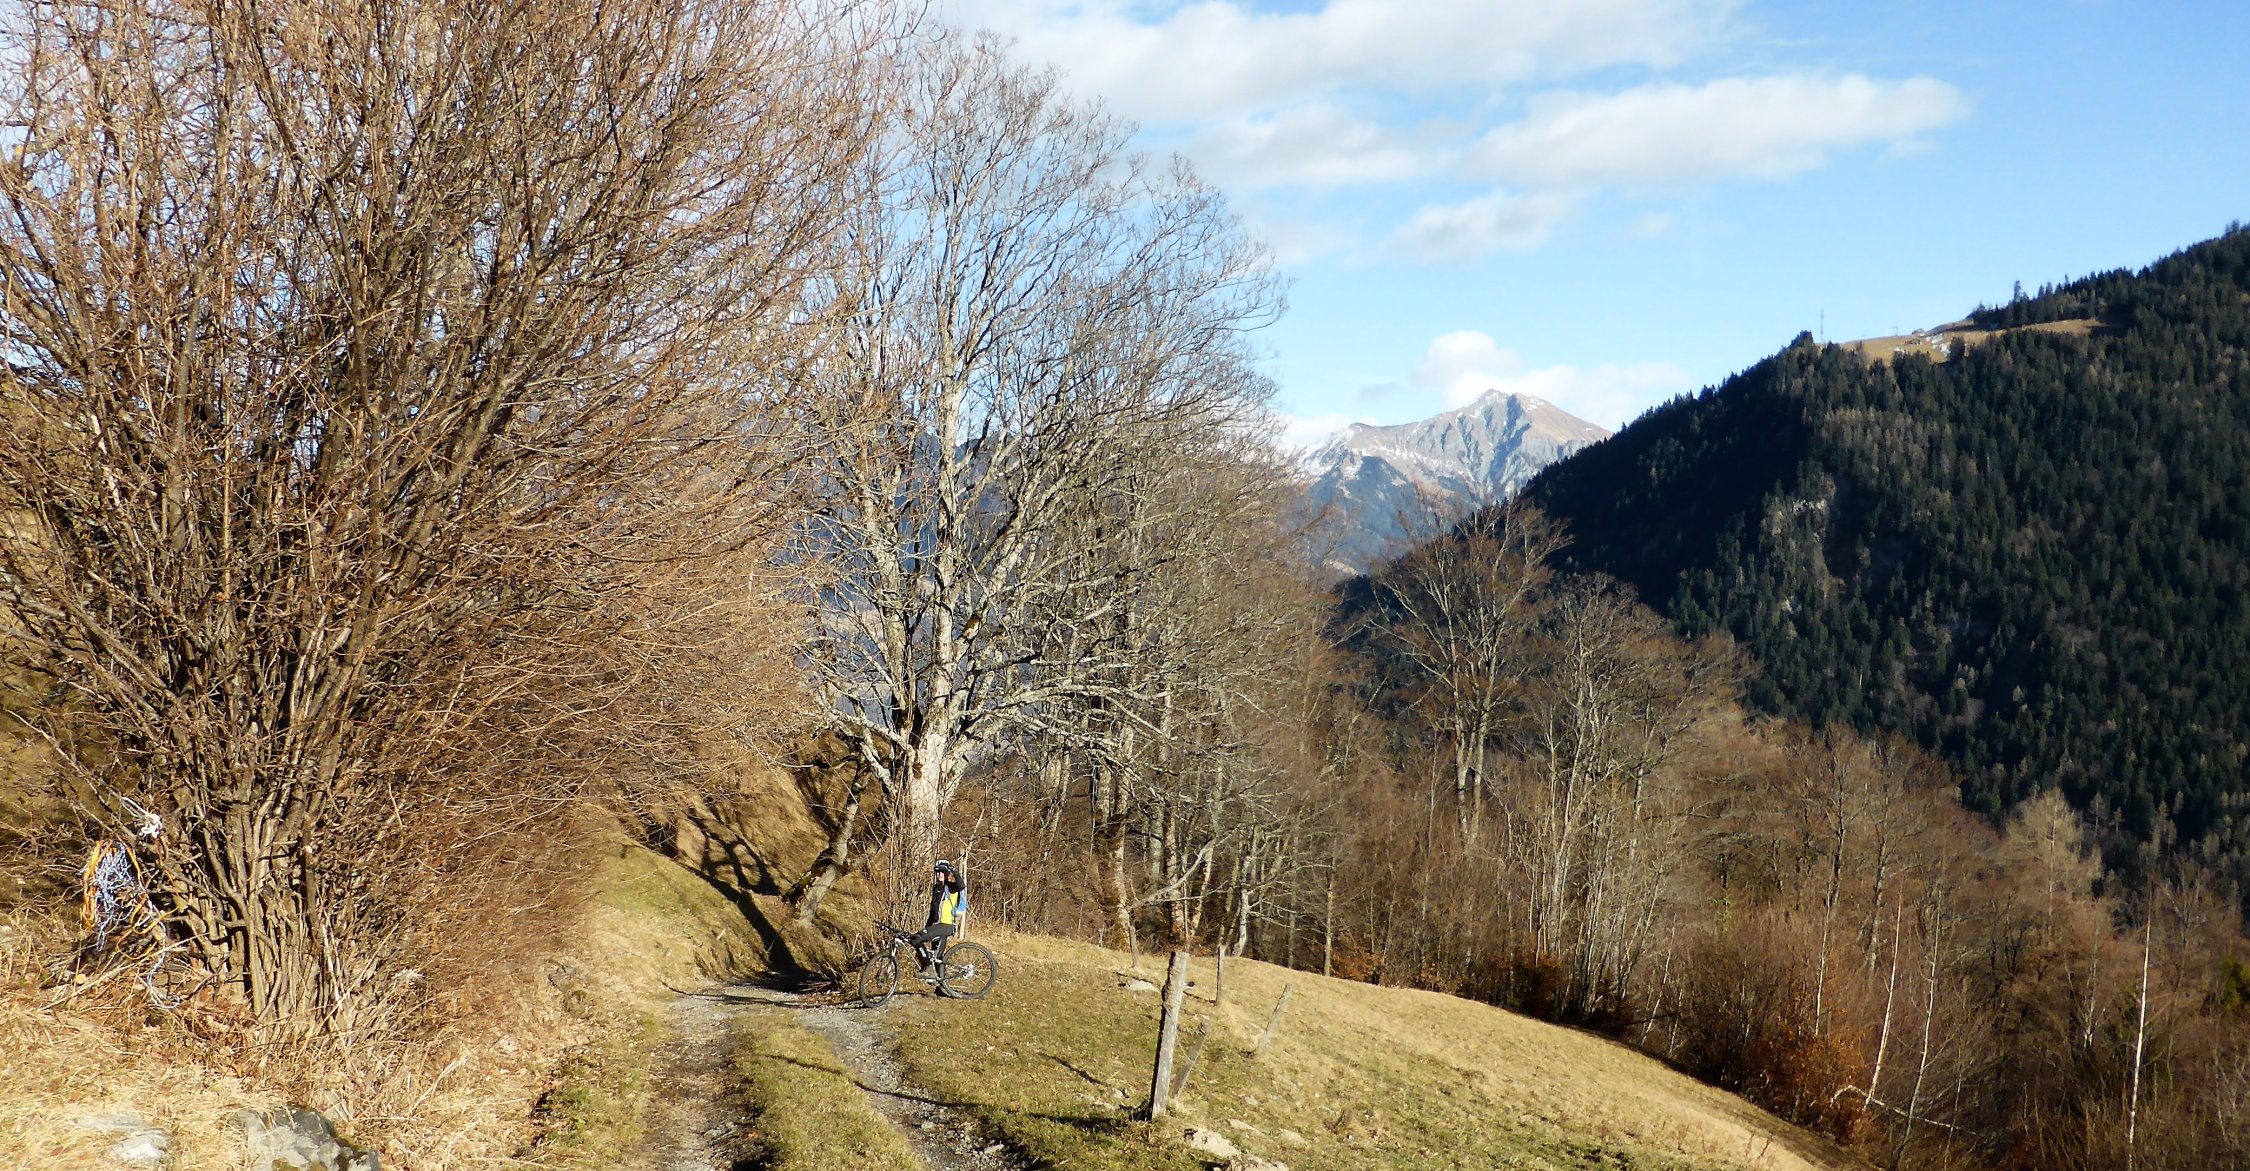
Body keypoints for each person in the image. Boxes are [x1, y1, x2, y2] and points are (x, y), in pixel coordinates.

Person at [910, 859, 964, 974]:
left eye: (942, 872)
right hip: (937, 925)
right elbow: (933, 910)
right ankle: (940, 983)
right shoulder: (936, 888)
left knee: (916, 939)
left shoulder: (951, 887)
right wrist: (927, 927)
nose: (939, 875)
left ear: (947, 873)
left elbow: (961, 885)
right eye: (937, 872)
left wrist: (953, 870)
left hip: (946, 925)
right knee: (938, 958)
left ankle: (928, 968)